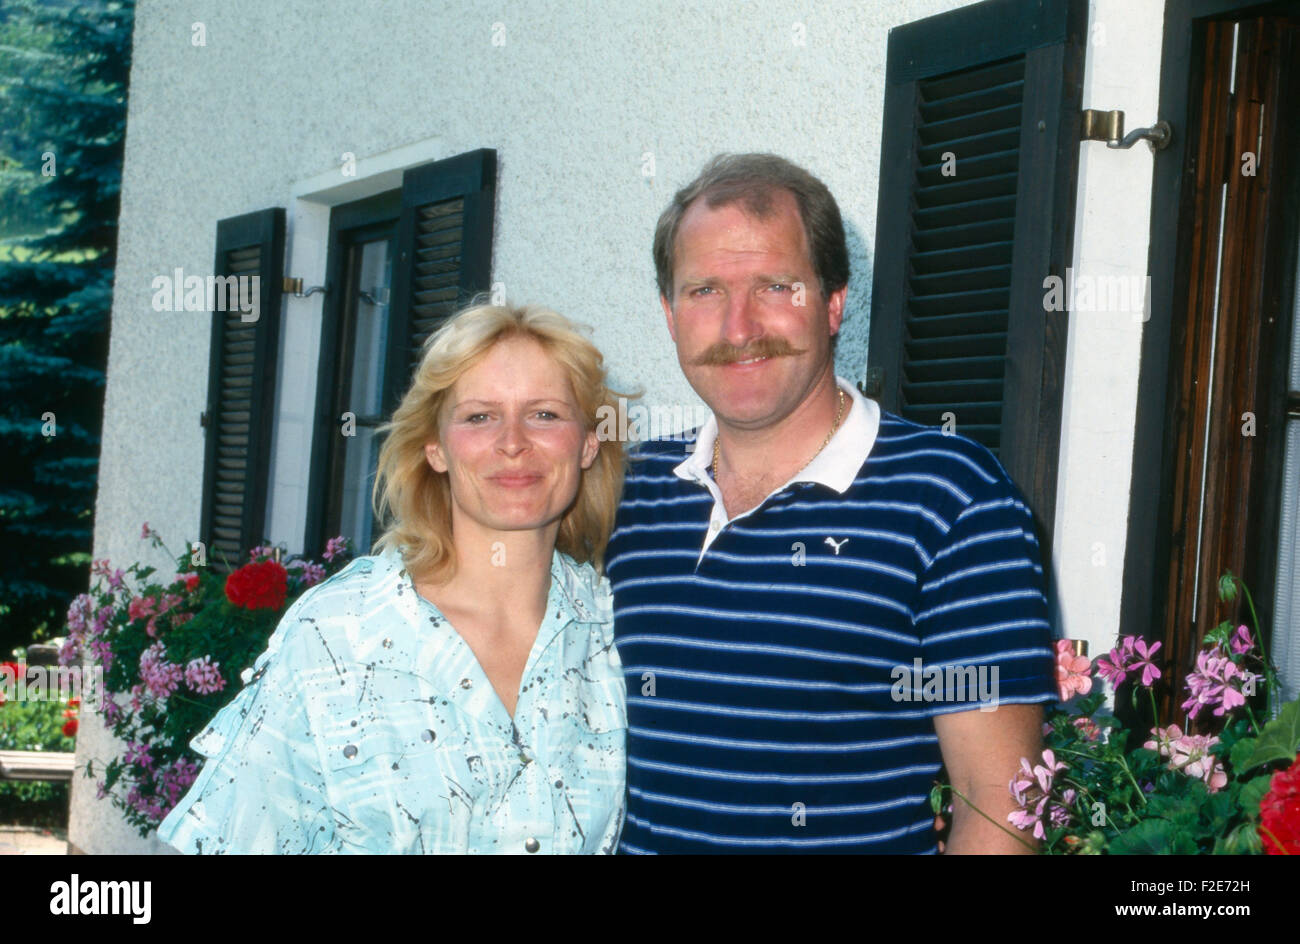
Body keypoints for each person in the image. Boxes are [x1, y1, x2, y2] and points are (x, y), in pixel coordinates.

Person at [606, 153, 1056, 854]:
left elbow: (1001, 807)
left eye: (774, 286)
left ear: (834, 301)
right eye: (704, 292)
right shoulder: (623, 493)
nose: (737, 328)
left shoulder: (953, 501)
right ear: (669, 314)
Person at [158, 303, 629, 854]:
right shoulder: (338, 635)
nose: (512, 442)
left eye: (545, 414)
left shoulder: (615, 632)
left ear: (588, 444)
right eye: (479, 416)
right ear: (435, 449)